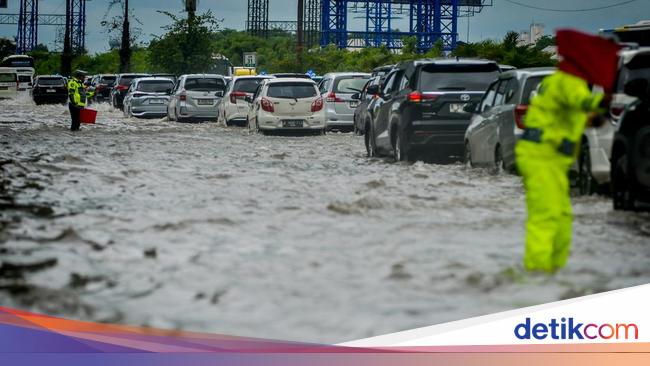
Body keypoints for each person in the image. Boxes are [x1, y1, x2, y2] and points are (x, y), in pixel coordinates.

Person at [515, 30, 620, 273]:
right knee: (547, 215)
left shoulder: (567, 82)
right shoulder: (568, 83)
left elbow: (586, 117)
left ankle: (555, 271)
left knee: (562, 215)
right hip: (541, 156)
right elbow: (586, 105)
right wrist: (608, 100)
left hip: (552, 158)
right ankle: (537, 273)